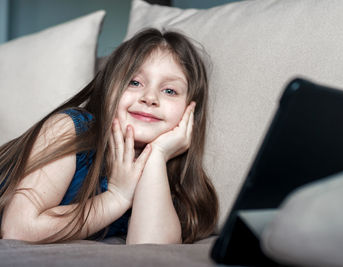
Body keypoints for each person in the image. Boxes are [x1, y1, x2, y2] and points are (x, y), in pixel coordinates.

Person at [0, 28, 219, 244]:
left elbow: (151, 253)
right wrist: (116, 198)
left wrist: (157, 157)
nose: (150, 97)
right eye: (134, 82)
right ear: (108, 89)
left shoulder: (174, 182)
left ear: (190, 110)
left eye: (169, 91)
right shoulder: (70, 129)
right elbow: (18, 229)